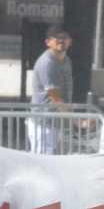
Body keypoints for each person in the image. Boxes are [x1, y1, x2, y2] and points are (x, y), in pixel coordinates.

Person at [28, 26, 72, 154]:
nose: (61, 41)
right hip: (43, 123)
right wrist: (76, 120)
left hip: (57, 122)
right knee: (41, 164)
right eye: (57, 38)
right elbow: (54, 96)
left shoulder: (67, 61)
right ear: (48, 42)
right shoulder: (47, 63)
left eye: (65, 37)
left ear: (70, 41)